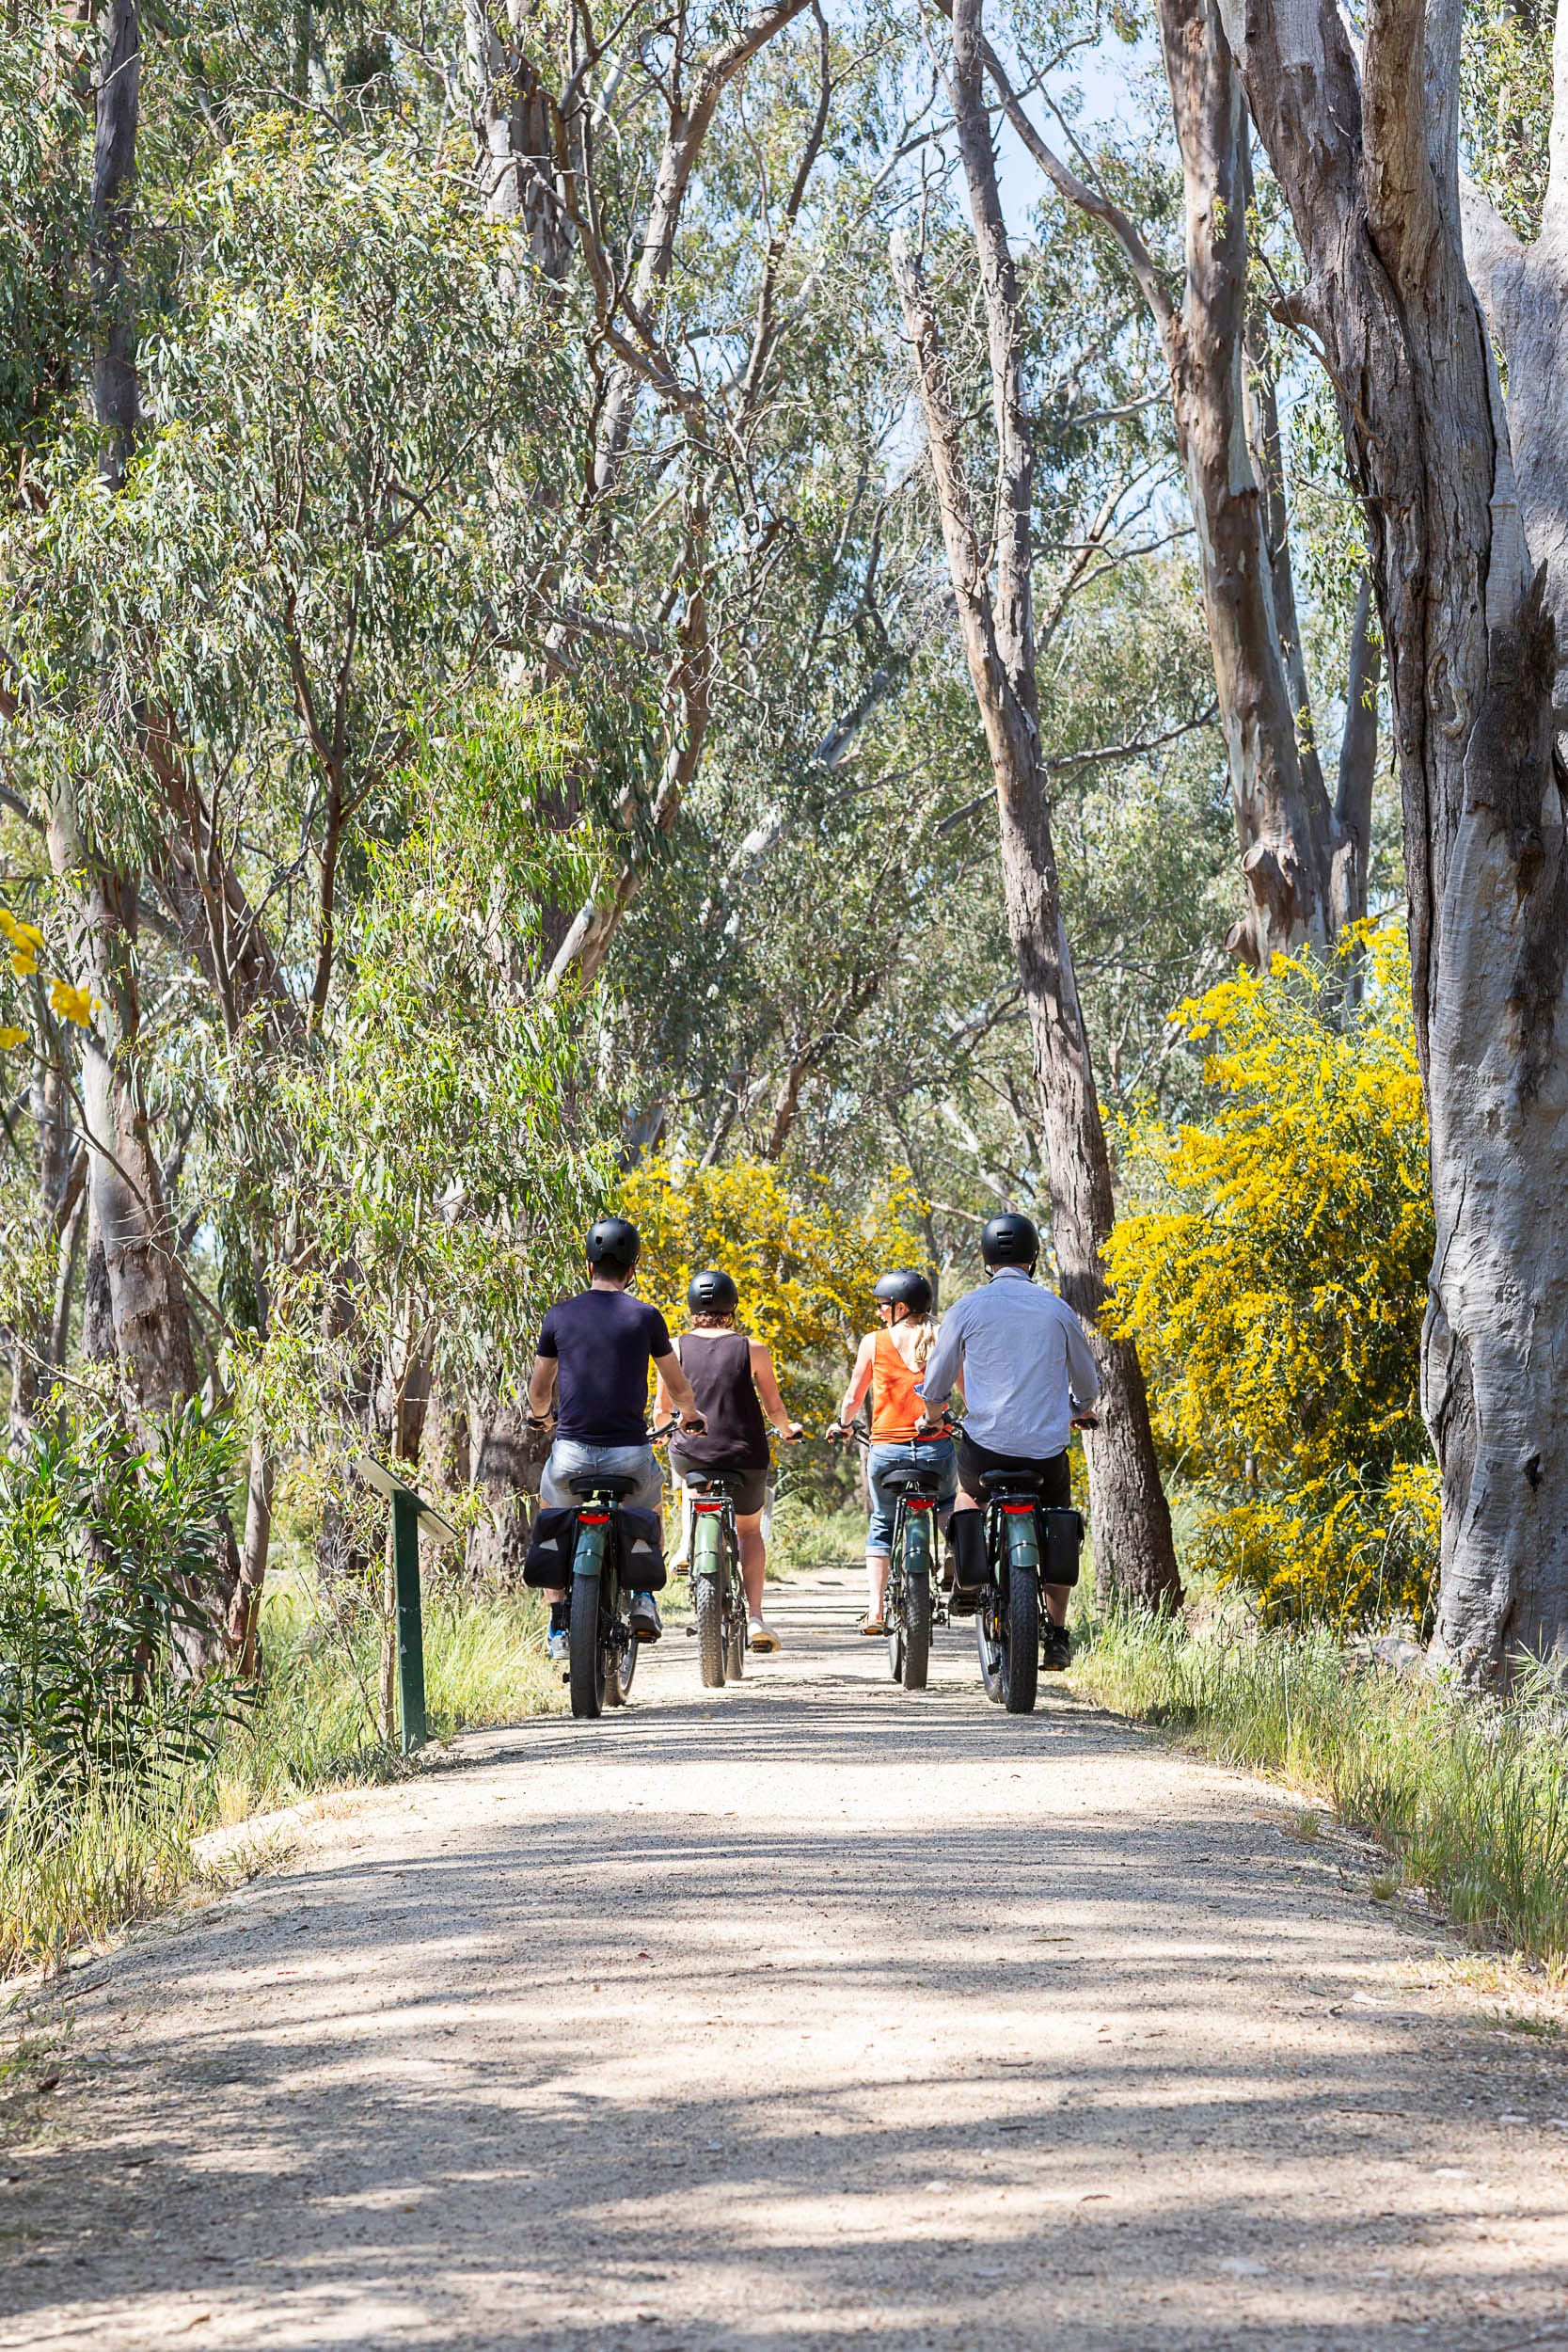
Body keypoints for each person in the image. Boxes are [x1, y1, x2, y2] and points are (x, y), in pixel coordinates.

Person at [914, 1209, 1099, 1672]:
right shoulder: (1057, 1309)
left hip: (986, 1447)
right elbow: (1088, 1382)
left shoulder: (967, 1308)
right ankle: (1056, 1633)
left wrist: (932, 1415)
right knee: (1058, 1515)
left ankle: (966, 1572)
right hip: (1045, 1453)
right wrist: (1081, 1409)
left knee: (965, 1494)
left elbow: (936, 1380)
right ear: (1034, 1258)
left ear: (986, 1260)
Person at [526, 1216, 706, 1662]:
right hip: (629, 1454)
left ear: (589, 1266)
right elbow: (677, 1383)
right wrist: (690, 1415)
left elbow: (539, 1389)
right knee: (649, 1506)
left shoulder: (559, 1315)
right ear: (632, 1268)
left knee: (552, 1520)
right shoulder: (646, 1316)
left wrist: (541, 1419)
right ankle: (643, 1594)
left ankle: (557, 1626)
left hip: (570, 1454)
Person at [656, 1270, 802, 1653]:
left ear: (691, 1308)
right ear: (732, 1309)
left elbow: (661, 1412)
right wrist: (788, 1429)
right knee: (750, 1531)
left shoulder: (674, 1348)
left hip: (693, 1454)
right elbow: (774, 1408)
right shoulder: (753, 1349)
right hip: (745, 1455)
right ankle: (755, 1617)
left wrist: (668, 1433)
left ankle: (689, 1540)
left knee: (684, 1467)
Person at [832, 1269, 956, 1636]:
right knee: (949, 1502)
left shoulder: (874, 1342)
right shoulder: (941, 1338)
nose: (879, 1313)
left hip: (887, 1453)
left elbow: (855, 1396)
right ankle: (954, 1552)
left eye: (883, 1306)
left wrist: (842, 1424)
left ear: (900, 1307)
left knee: (883, 1523)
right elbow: (963, 1387)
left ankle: (874, 1610)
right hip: (936, 1450)